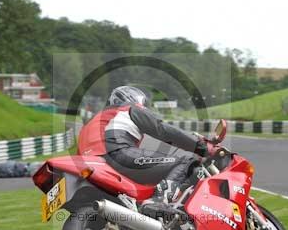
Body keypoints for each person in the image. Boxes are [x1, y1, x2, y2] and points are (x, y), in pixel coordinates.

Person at [77, 86, 210, 203]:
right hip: (117, 154)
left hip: (92, 165)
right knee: (187, 160)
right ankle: (160, 201)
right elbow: (161, 130)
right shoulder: (128, 109)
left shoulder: (91, 122)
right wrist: (200, 146)